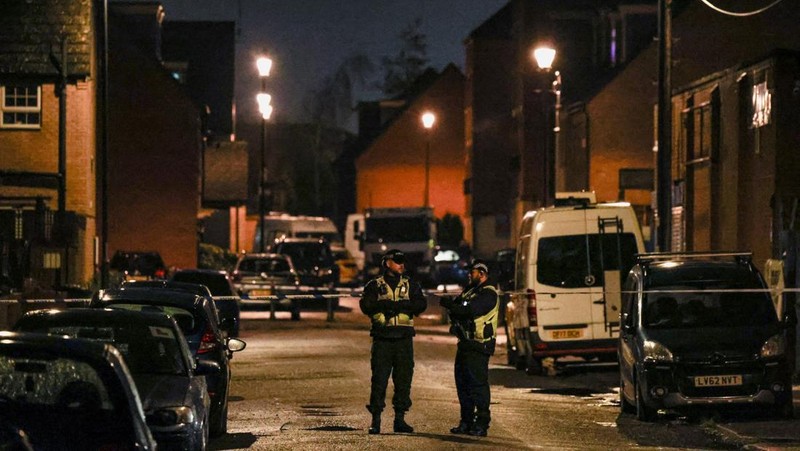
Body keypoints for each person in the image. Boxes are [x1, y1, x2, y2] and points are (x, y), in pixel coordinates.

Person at [359, 249, 428, 435]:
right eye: (397, 261)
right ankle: (376, 420)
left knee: (403, 380)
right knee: (379, 380)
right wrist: (388, 306)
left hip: (404, 340)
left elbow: (421, 304)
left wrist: (395, 306)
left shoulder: (410, 284)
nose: (401, 264)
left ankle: (400, 419)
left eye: (403, 261)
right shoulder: (374, 285)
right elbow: (366, 306)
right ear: (387, 263)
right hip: (383, 340)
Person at [439, 259, 499, 437]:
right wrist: (454, 307)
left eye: (471, 271)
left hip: (479, 345)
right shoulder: (470, 290)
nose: (468, 274)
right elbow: (458, 309)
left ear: (482, 273)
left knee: (478, 386)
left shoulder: (489, 293)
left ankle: (481, 424)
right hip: (465, 343)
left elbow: (470, 310)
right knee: (463, 385)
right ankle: (466, 422)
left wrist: (452, 306)